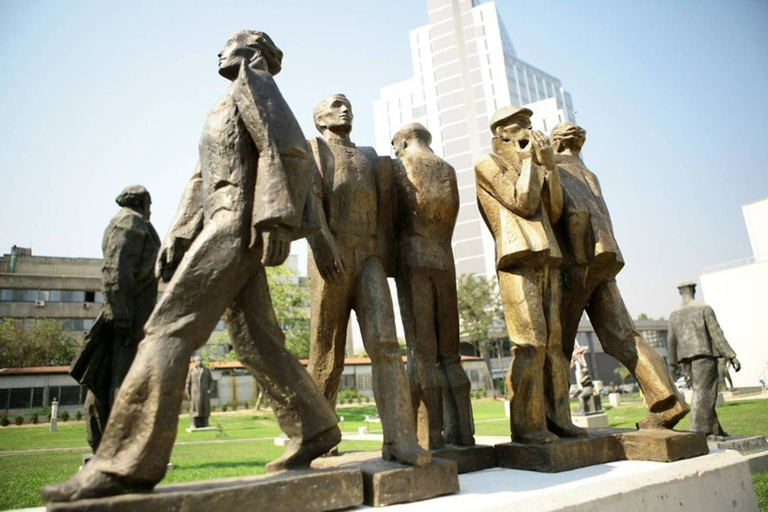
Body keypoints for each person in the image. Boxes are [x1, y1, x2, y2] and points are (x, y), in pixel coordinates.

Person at [43, 30, 340, 502]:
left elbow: (288, 150)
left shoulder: (255, 81)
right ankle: (315, 426)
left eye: (229, 43)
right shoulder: (224, 100)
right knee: (257, 341)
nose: (219, 51)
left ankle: (124, 463)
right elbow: (202, 175)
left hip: (238, 221)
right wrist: (180, 231)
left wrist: (275, 218)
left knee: (167, 329)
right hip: (222, 219)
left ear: (255, 52)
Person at [306, 94, 430, 466]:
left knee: (387, 344)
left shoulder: (372, 156)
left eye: (347, 104)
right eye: (335, 105)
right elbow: (309, 200)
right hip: (331, 254)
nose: (345, 109)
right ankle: (315, 439)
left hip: (370, 256)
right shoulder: (314, 149)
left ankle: (400, 439)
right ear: (320, 119)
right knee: (326, 352)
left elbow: (389, 212)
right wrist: (324, 245)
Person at [550, 122, 689, 429]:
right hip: (606, 258)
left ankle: (555, 419)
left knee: (558, 341)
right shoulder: (588, 173)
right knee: (622, 335)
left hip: (582, 259)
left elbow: (577, 214)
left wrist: (576, 264)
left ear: (557, 145)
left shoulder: (558, 170)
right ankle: (668, 400)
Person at [475, 106, 581, 444]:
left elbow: (552, 210)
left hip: (548, 257)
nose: (528, 130)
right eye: (520, 125)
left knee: (554, 344)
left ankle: (559, 418)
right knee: (530, 344)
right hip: (518, 261)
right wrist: (533, 164)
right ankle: (528, 425)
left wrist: (549, 166)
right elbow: (521, 200)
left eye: (529, 124)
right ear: (502, 133)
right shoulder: (487, 165)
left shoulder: (533, 163)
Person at [390, 123, 474, 449]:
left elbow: (394, 221)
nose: (396, 150)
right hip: (445, 259)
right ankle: (465, 436)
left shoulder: (401, 167)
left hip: (414, 259)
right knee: (450, 355)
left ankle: (430, 439)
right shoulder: (447, 169)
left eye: (397, 144)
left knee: (420, 353)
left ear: (406, 140)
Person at [70, 186, 160, 452]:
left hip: (130, 315)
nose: (151, 208)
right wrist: (121, 314)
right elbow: (115, 268)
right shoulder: (130, 222)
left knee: (113, 377)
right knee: (123, 380)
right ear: (142, 201)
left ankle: (112, 443)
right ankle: (119, 445)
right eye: (150, 202)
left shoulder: (128, 222)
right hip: (128, 318)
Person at [668, 281, 740, 437]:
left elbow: (671, 340)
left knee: (703, 391)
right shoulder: (704, 309)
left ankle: (715, 429)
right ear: (693, 290)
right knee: (704, 392)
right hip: (704, 354)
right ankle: (698, 431)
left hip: (686, 359)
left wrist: (672, 364)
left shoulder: (674, 314)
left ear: (680, 292)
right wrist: (731, 355)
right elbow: (716, 334)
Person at [186, 355, 213, 428]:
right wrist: (188, 394)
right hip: (194, 393)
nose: (199, 361)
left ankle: (205, 423)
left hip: (205, 393)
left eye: (200, 360)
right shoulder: (191, 371)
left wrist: (210, 389)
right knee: (195, 408)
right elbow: (188, 383)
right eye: (198, 360)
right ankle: (194, 423)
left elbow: (211, 381)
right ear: (194, 361)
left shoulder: (207, 370)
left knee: (205, 408)